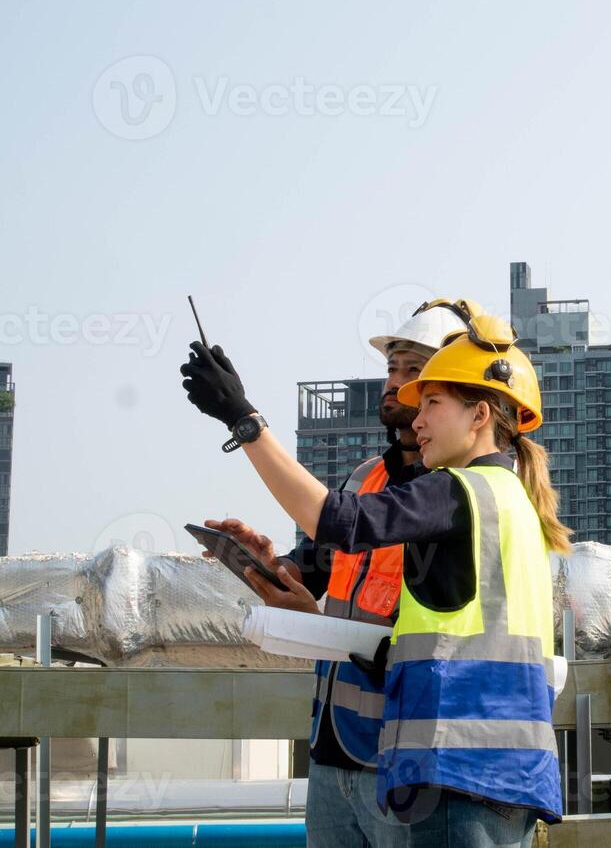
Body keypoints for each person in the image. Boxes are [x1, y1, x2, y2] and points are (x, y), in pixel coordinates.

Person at [182, 300, 571, 847]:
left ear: (479, 413)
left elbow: (335, 521)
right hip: (452, 763)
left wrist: (245, 421)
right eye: (398, 376)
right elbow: (341, 575)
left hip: (449, 764)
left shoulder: (455, 490)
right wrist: (273, 576)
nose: (413, 409)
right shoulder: (507, 498)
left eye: (429, 393)